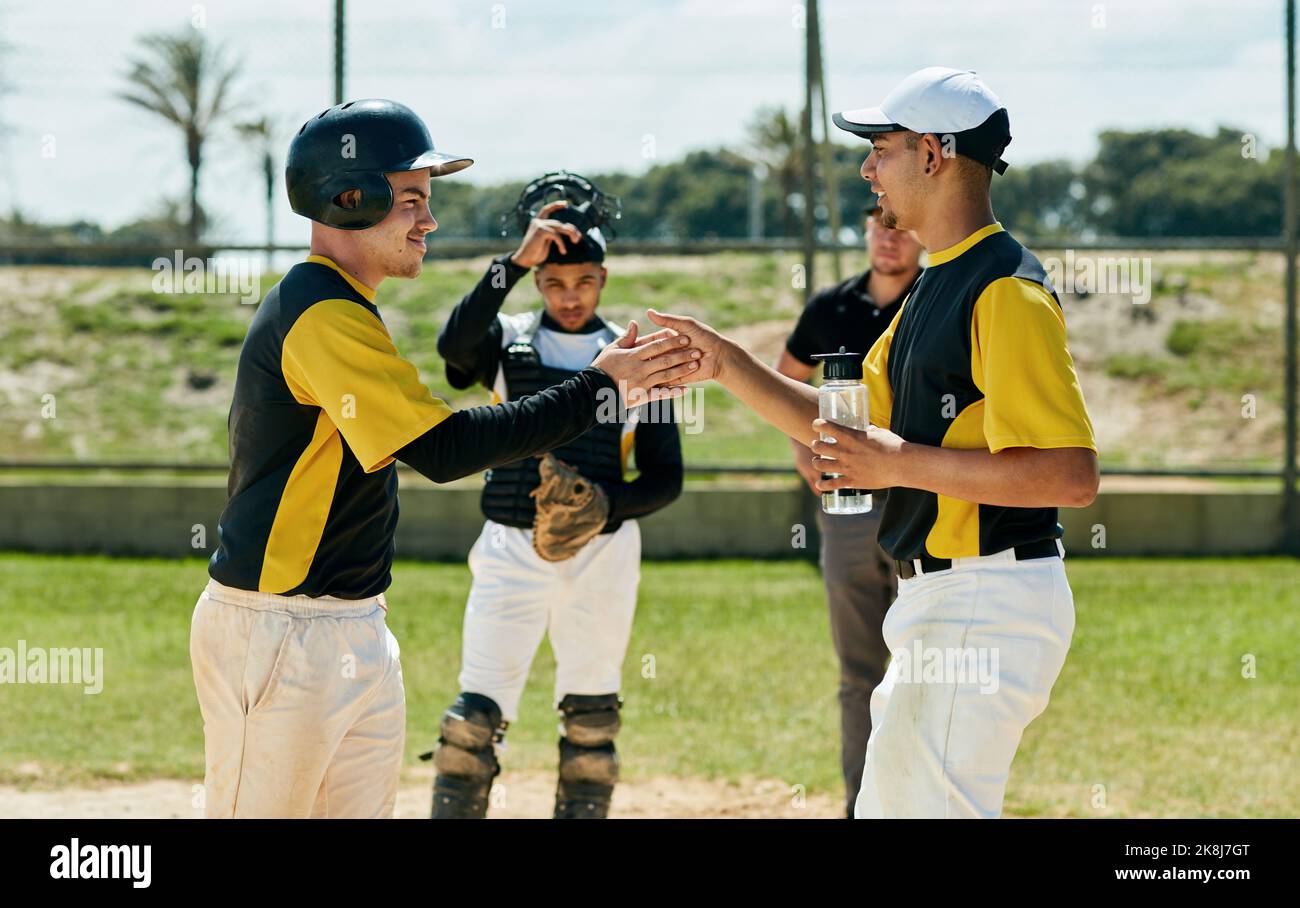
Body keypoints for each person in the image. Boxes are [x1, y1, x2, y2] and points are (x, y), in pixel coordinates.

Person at [190, 102, 701, 819]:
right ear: (349, 198)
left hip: (351, 624)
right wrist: (602, 385)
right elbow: (443, 448)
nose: (428, 221)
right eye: (412, 201)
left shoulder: (348, 308)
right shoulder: (317, 311)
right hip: (281, 630)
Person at [646, 67, 1098, 818]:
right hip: (943, 597)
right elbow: (843, 425)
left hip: (986, 596)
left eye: (879, 147)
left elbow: (1069, 475)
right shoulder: (937, 283)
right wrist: (725, 364)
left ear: (932, 154)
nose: (866, 168)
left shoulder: (1005, 289)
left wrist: (899, 462)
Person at [427, 173, 684, 819]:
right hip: (510, 546)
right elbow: (453, 346)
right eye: (554, 283)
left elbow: (665, 477)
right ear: (538, 281)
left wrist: (604, 506)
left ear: (603, 277)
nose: (570, 297)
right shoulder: (511, 343)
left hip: (600, 554)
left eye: (585, 281)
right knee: (473, 718)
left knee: (592, 720)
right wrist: (511, 263)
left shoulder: (632, 356)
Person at [775, 201, 923, 817]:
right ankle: (860, 802)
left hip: (923, 498)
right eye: (877, 229)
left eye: (899, 229)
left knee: (927, 663)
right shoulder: (831, 308)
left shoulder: (936, 300)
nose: (887, 241)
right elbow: (786, 375)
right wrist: (800, 450)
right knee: (859, 669)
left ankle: (920, 801)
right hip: (848, 506)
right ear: (864, 234)